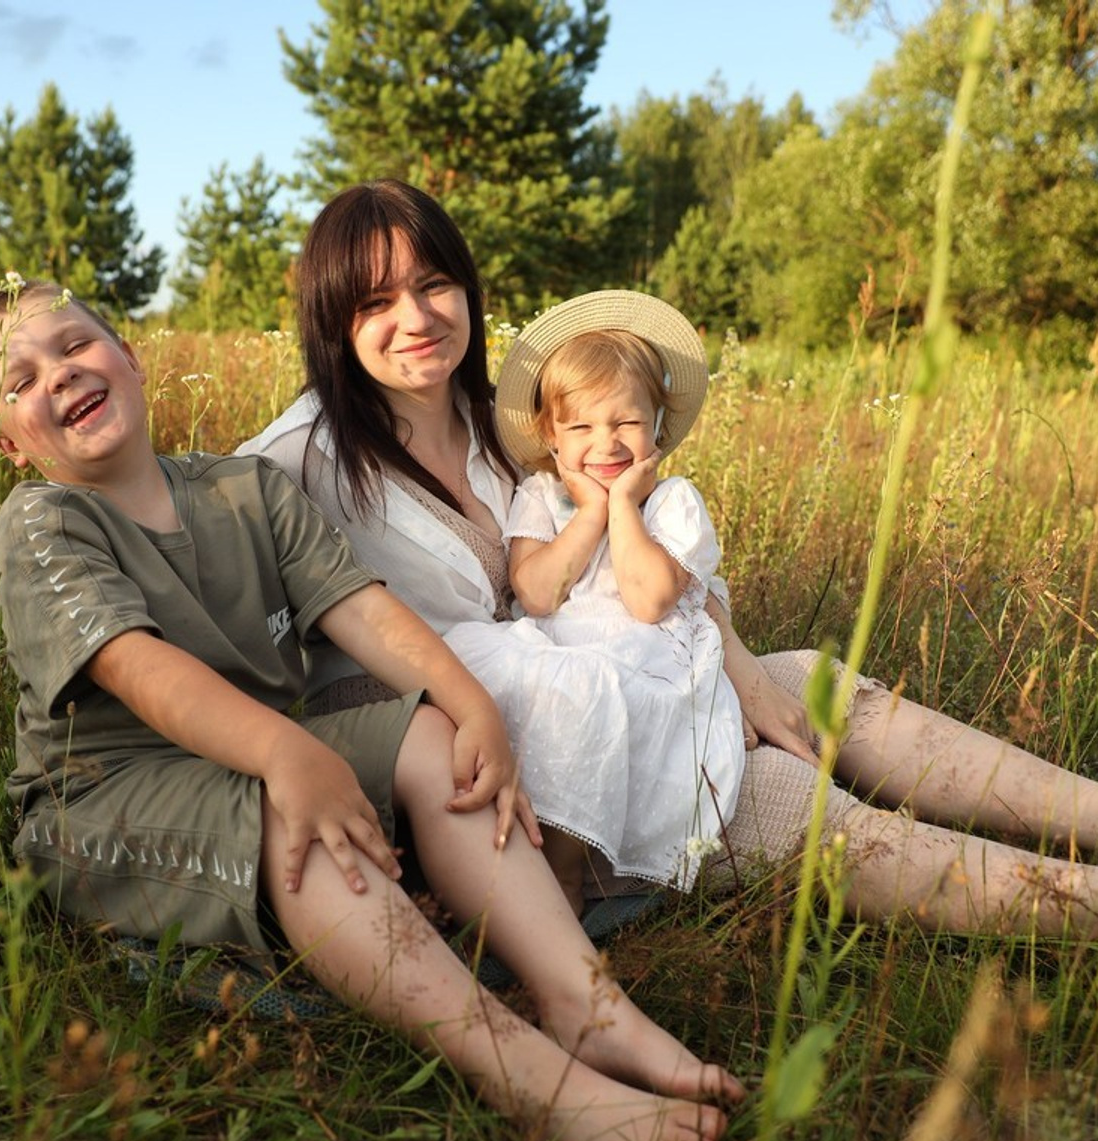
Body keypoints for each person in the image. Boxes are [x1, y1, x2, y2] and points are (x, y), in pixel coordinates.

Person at [0, 278, 747, 1141]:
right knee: (300, 815)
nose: (56, 375)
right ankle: (537, 1083)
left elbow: (363, 610)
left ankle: (584, 1001)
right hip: (110, 795)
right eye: (18, 381)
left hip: (258, 752)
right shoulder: (45, 521)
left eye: (74, 347)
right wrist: (291, 754)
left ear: (129, 360)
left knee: (426, 739)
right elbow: (141, 669)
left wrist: (470, 706)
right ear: (12, 442)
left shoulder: (241, 488)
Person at [240, 178, 1098, 938]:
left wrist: (742, 671)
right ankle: (1074, 901)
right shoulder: (292, 460)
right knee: (783, 801)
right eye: (376, 303)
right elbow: (192, 582)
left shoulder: (509, 425)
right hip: (476, 746)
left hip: (602, 671)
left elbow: (637, 563)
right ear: (333, 320)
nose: (417, 318)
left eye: (434, 285)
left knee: (811, 684)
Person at [442, 294, 746, 914]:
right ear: (551, 437)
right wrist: (587, 512)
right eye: (580, 427)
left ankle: (566, 881)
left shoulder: (674, 503)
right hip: (550, 652)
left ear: (657, 426)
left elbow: (649, 601)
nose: (605, 444)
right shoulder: (541, 497)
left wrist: (623, 508)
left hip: (640, 666)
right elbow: (535, 591)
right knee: (494, 666)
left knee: (591, 689)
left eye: (626, 424)